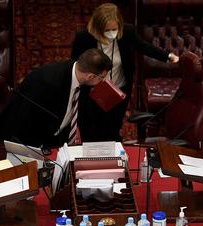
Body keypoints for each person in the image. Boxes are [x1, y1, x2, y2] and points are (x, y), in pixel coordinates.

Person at [71, 2, 179, 141]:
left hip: (118, 90)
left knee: (113, 130)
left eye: (114, 29)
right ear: (97, 28)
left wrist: (168, 56)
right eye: (106, 30)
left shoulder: (127, 32)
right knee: (91, 132)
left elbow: (144, 47)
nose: (111, 33)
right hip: (91, 93)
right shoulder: (84, 37)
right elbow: (75, 64)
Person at [0, 48, 112, 149]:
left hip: (55, 137)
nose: (102, 82)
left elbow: (84, 116)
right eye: (101, 78)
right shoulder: (48, 83)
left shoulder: (82, 78)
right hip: (25, 139)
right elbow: (27, 120)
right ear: (90, 76)